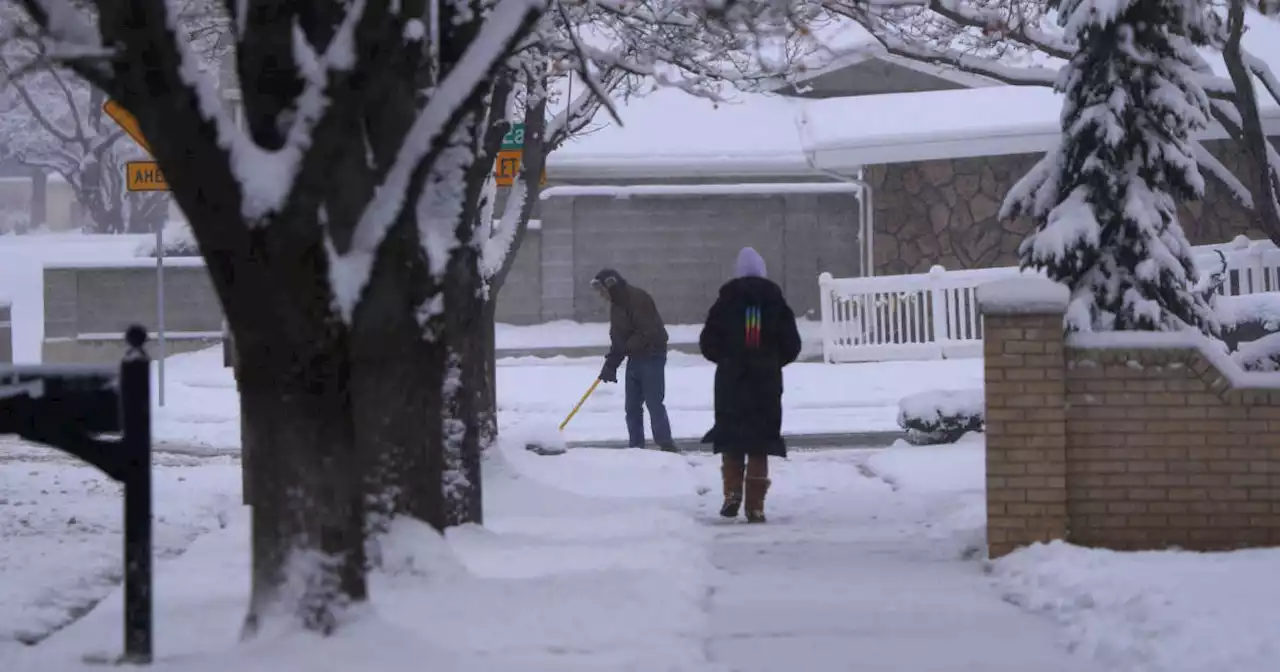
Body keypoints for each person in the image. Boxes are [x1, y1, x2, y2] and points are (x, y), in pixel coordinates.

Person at [698, 247, 802, 523]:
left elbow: (707, 343)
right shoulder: (777, 304)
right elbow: (792, 345)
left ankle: (731, 495)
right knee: (760, 442)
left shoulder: (724, 303)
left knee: (732, 438)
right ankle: (755, 506)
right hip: (765, 383)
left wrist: (729, 358)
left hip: (731, 382)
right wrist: (771, 360)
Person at [592, 268, 678, 453]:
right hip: (635, 357)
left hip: (653, 355)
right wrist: (611, 364)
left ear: (611, 286)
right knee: (631, 407)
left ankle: (666, 445)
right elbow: (618, 338)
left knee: (654, 402)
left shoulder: (639, 299)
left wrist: (625, 347)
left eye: (602, 290)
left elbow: (648, 332)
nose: (601, 295)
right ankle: (636, 448)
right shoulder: (616, 307)